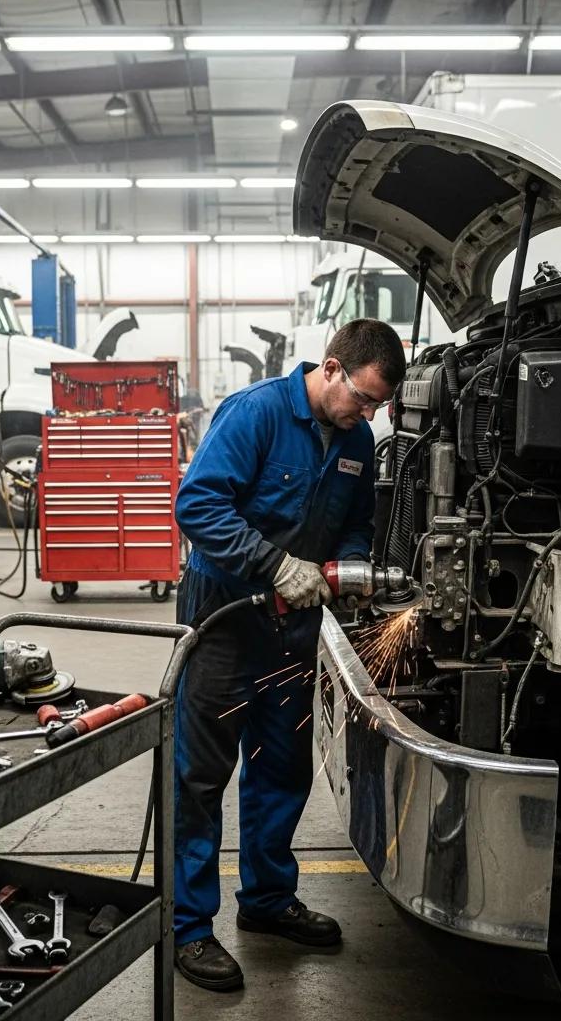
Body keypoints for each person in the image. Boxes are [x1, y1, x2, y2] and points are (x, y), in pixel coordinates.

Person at [172, 318, 406, 991]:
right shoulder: (256, 414)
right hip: (223, 622)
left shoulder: (358, 438)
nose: (367, 414)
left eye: (376, 406)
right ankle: (190, 930)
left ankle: (267, 902)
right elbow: (197, 504)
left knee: (281, 769)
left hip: (293, 631)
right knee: (199, 780)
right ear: (330, 368)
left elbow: (358, 519)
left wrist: (354, 566)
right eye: (361, 397)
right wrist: (273, 565)